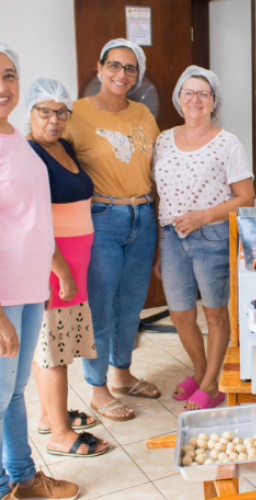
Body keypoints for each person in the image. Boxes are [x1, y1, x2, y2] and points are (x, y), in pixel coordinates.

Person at [64, 38, 160, 422]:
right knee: (101, 307)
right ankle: (97, 386)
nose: (122, 74)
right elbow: (53, 161)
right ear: (100, 68)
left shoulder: (144, 116)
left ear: (137, 76)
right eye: (115, 66)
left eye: (130, 68)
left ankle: (122, 373)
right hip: (102, 219)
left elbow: (154, 169)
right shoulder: (74, 113)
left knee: (131, 305)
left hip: (143, 216)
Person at [0, 44, 79, 500]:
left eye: (9, 75)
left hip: (28, 287)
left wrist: (53, 271)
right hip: (4, 294)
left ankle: (24, 478)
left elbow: (30, 217)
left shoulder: (15, 139)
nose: (3, 86)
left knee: (13, 393)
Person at [153, 66, 254, 411]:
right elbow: (159, 195)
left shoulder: (228, 143)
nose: (195, 99)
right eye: (188, 92)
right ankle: (200, 371)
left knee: (214, 314)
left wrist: (203, 216)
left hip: (210, 235)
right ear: (179, 99)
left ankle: (213, 384)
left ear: (214, 101)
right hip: (171, 236)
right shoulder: (163, 139)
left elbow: (246, 197)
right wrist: (158, 247)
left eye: (203, 93)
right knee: (180, 313)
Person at [26, 78, 109, 458]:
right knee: (53, 350)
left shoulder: (62, 147)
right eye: (45, 111)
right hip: (54, 266)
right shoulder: (30, 155)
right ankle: (60, 434)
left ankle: (49, 415)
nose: (54, 120)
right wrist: (61, 272)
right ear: (29, 112)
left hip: (73, 262)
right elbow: (35, 223)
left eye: (61, 112)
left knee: (57, 344)